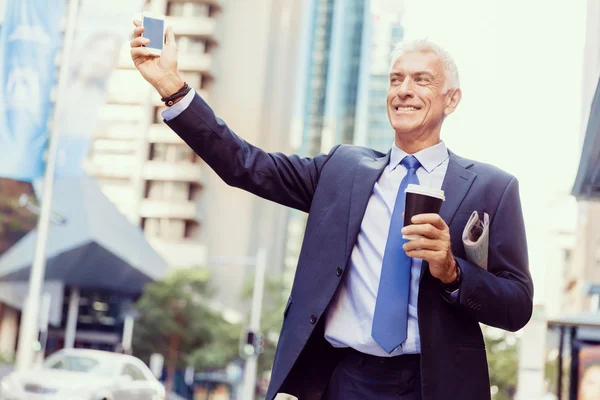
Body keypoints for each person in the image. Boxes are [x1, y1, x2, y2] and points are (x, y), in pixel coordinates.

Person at [129, 21, 533, 400]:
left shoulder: (492, 188)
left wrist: (453, 271)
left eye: (421, 80)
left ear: (452, 99)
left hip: (433, 383)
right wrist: (172, 86)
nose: (404, 89)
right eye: (396, 79)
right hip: (344, 379)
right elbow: (245, 164)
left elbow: (517, 305)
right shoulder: (343, 170)